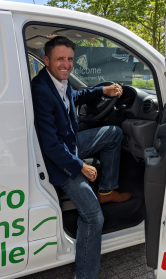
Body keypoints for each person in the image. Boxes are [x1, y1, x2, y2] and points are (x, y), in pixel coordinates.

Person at [31, 36, 131, 279]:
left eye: (70, 59)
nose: (66, 64)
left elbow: (75, 97)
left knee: (114, 134)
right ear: (46, 60)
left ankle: (106, 190)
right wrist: (81, 167)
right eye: (60, 59)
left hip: (70, 144)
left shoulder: (58, 81)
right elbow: (50, 145)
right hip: (58, 161)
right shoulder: (41, 90)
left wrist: (102, 91)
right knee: (93, 216)